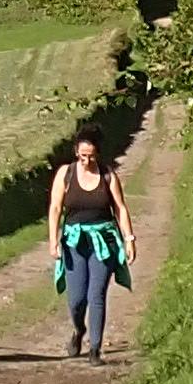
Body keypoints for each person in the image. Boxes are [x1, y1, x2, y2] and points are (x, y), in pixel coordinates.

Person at [48, 133, 131, 359]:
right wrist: (53, 239)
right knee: (76, 299)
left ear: (98, 154)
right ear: (76, 152)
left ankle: (95, 348)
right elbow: (55, 208)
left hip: (103, 241)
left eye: (91, 157)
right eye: (83, 156)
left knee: (97, 294)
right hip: (74, 241)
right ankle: (78, 329)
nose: (87, 161)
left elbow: (120, 208)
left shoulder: (108, 175)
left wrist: (129, 239)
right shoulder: (65, 174)